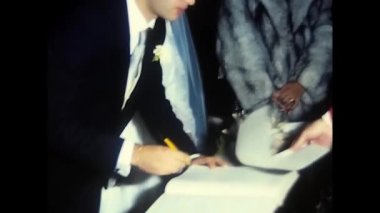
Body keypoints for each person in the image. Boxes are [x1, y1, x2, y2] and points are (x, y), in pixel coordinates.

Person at [48, 0, 226, 212]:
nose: (192, 1)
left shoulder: (156, 25)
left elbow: (152, 98)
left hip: (85, 173)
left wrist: (191, 157)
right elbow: (53, 122)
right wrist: (135, 154)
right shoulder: (82, 20)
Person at [216, 0, 332, 122]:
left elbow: (326, 36)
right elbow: (238, 43)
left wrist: (303, 83)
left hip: (309, 109)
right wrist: (265, 99)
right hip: (254, 106)